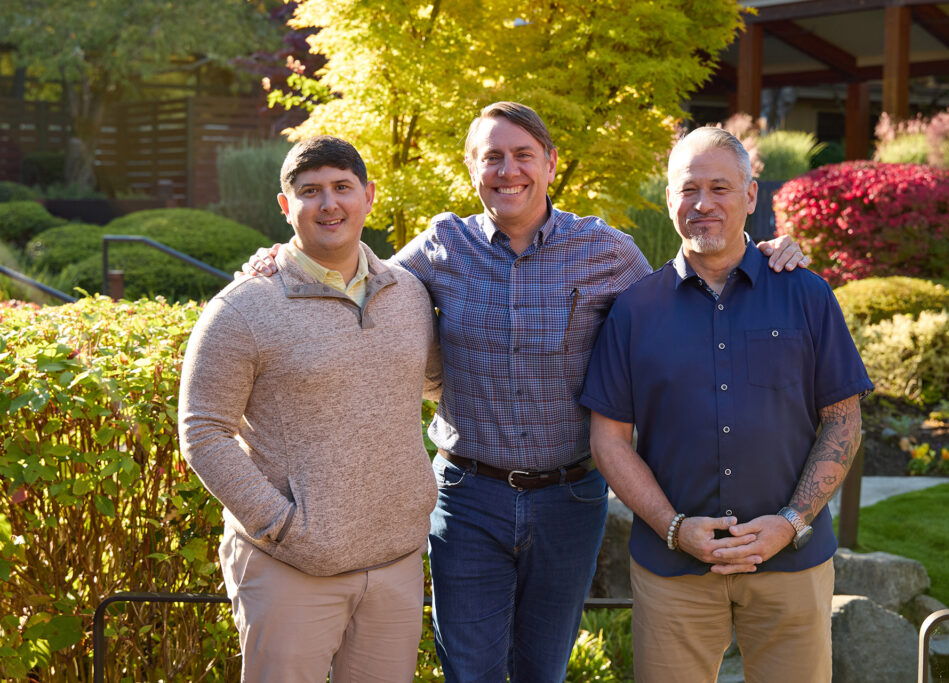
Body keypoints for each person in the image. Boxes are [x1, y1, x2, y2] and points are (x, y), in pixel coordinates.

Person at [244, 102, 809, 682]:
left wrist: (761, 253)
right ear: (472, 168)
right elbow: (360, 282)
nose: (507, 170)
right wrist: (283, 259)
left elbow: (689, 295)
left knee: (544, 671)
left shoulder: (607, 252)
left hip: (570, 500)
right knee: (471, 672)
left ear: (550, 164)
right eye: (492, 157)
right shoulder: (442, 246)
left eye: (523, 155)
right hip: (467, 499)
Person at [580, 126, 874, 683]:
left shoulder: (806, 294)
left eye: (720, 188)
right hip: (672, 570)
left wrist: (790, 523)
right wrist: (674, 528)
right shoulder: (634, 310)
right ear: (669, 198)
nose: (703, 204)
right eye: (689, 189)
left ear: (751, 195)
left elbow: (843, 421)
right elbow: (608, 440)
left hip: (791, 564)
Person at [178, 135, 442, 682]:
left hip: (395, 563)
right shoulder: (243, 308)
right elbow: (203, 431)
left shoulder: (410, 294)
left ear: (369, 196)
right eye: (310, 191)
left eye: (343, 187)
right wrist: (281, 526)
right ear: (285, 205)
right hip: (290, 568)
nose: (329, 204)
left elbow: (437, 384)